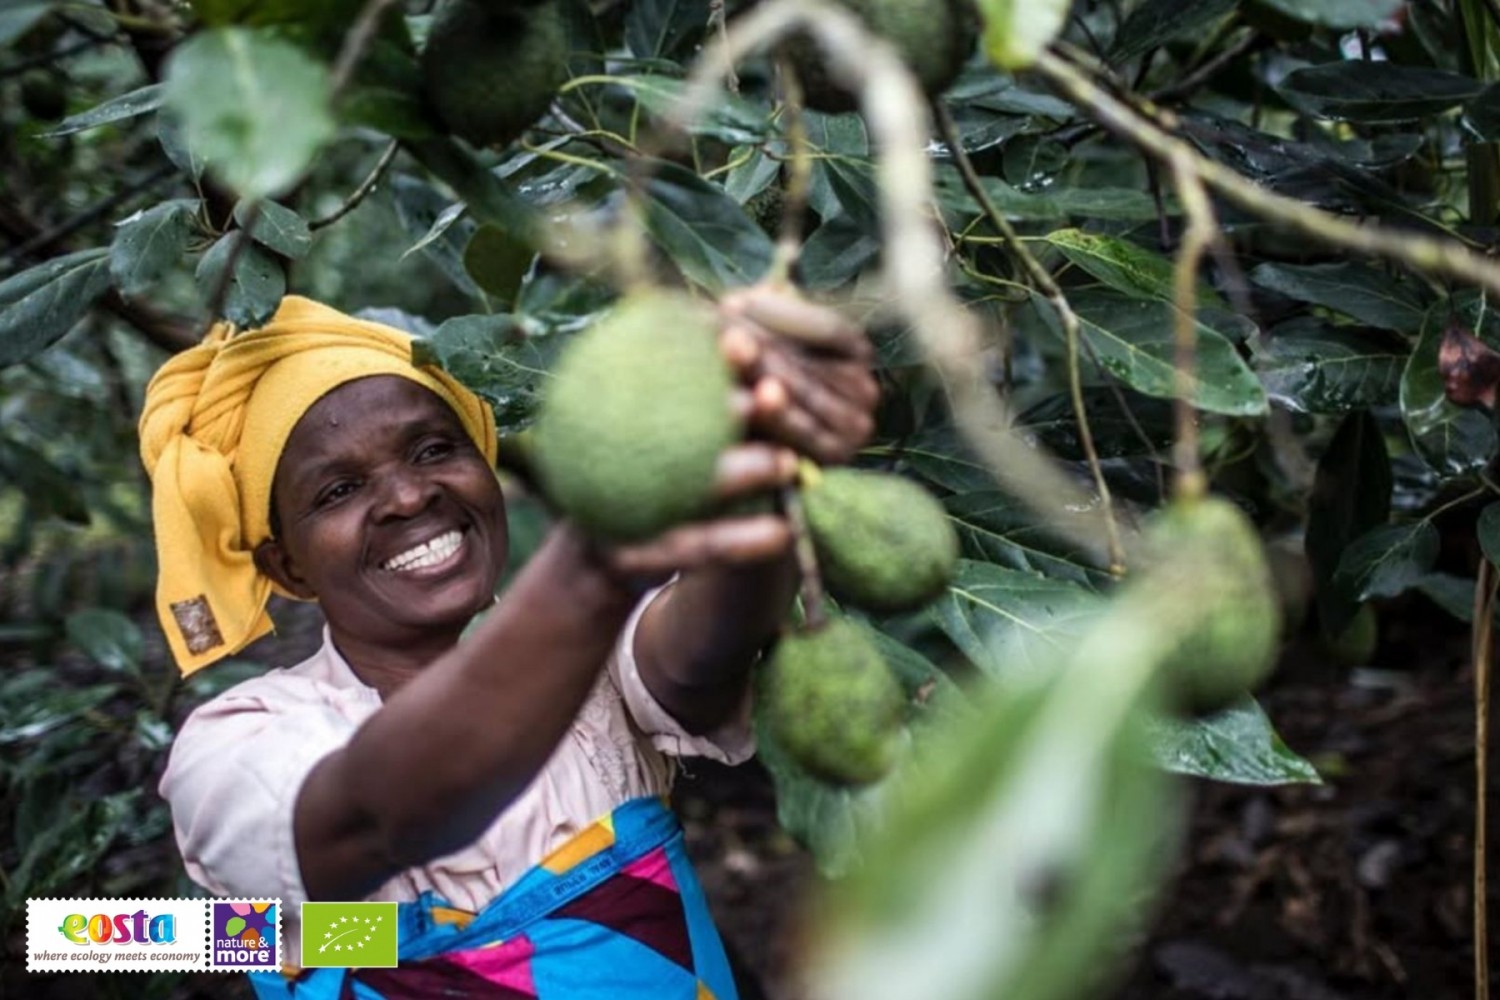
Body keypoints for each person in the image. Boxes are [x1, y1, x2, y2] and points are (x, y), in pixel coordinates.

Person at [138, 287, 878, 999]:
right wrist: (601, 560)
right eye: (337, 491)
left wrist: (764, 459)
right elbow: (378, 818)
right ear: (287, 566)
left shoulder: (584, 664)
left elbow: (698, 649)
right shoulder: (240, 741)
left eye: (433, 448)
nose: (408, 496)